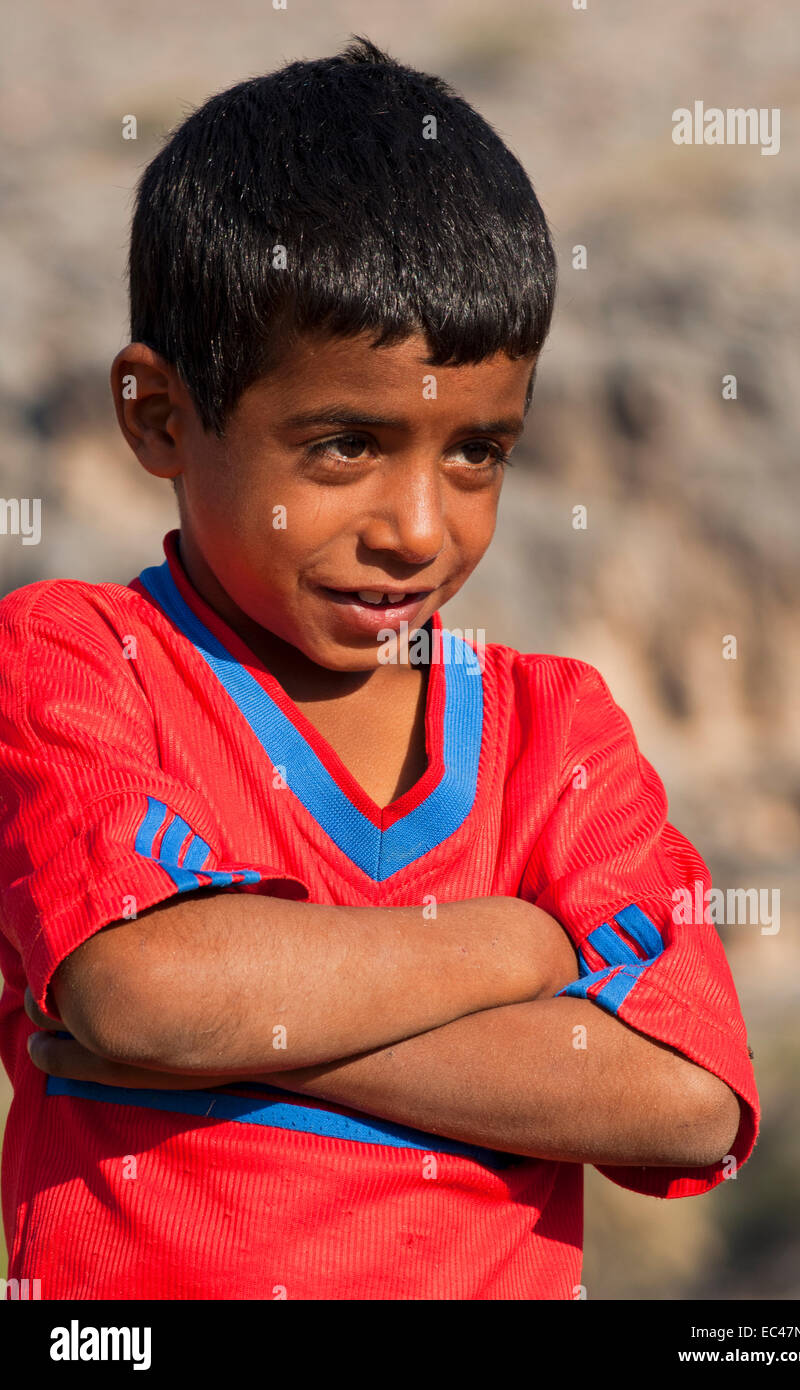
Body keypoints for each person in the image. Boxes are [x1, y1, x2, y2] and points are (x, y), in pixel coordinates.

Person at [0, 36, 758, 1300]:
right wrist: (515, 947)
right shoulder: (79, 661)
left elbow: (682, 1097)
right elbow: (143, 989)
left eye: (476, 453)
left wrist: (238, 1032)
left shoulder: (552, 729)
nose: (418, 525)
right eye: (345, 446)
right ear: (158, 417)